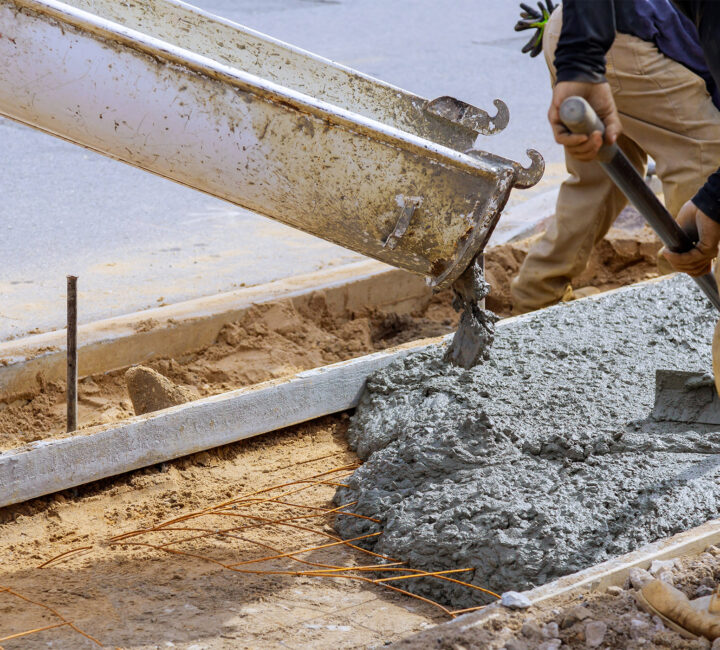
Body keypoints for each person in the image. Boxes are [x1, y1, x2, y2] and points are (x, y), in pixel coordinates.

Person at [511, 0, 720, 314]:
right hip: (627, 42)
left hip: (571, 26)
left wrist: (579, 50)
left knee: (602, 174)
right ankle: (683, 305)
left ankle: (537, 291)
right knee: (701, 156)